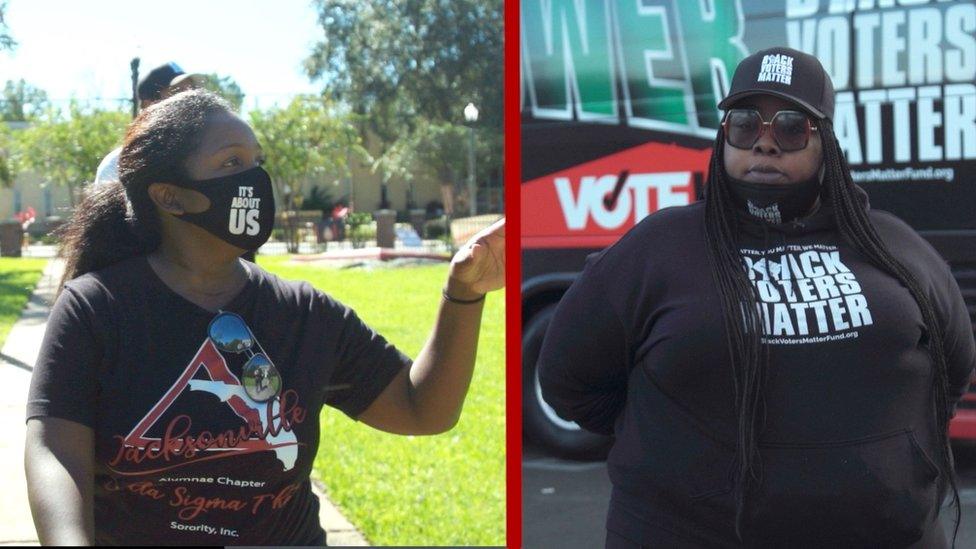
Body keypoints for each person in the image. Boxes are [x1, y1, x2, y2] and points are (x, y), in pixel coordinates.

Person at [538, 47, 975, 548]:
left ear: (824, 141)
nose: (765, 144)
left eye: (790, 127)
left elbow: (951, 370)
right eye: (745, 124)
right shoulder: (657, 247)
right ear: (725, 135)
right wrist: (667, 447)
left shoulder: (893, 245)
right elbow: (568, 378)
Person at [25, 89, 505, 545]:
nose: (254, 179)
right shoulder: (97, 308)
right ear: (170, 197)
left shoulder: (304, 313)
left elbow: (422, 409)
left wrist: (462, 294)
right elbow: (53, 452)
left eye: (257, 162)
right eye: (232, 162)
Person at [94, 62, 204, 185]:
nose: (189, 100)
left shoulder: (207, 156)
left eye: (191, 92)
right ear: (149, 104)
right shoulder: (116, 166)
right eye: (178, 93)